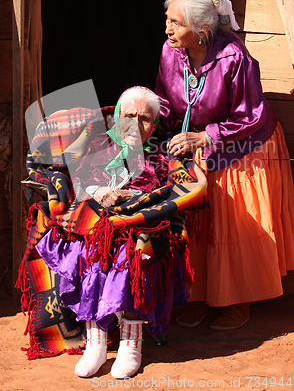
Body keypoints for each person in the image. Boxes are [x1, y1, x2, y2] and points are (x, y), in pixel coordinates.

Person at [155, 0, 294, 331]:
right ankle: (200, 296)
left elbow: (251, 115)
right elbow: (164, 98)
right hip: (195, 145)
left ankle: (237, 300)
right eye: (167, 20)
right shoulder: (171, 52)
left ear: (201, 30)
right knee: (196, 223)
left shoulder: (235, 57)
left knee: (231, 222)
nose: (168, 29)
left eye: (176, 22)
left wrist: (206, 137)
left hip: (242, 144)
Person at [35, 86, 190, 378]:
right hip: (96, 221)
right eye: (128, 116)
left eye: (144, 119)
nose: (135, 124)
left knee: (129, 252)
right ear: (117, 117)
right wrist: (99, 194)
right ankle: (96, 340)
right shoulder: (95, 146)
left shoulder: (160, 154)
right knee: (92, 247)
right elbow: (75, 185)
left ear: (154, 125)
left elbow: (171, 193)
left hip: (140, 224)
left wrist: (130, 199)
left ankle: (132, 342)